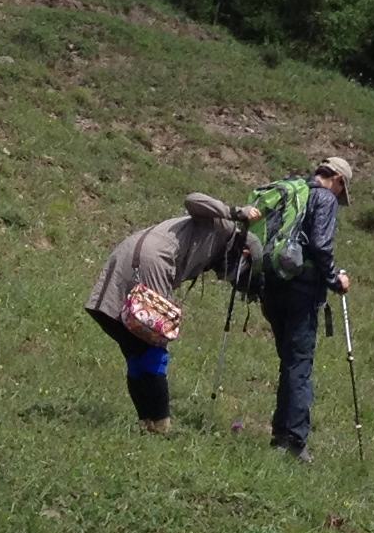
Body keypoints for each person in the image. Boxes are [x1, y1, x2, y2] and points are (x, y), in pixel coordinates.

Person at [87, 195, 239, 433]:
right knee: (154, 347)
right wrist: (233, 211)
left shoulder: (217, 238)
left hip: (129, 254)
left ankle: (146, 423)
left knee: (135, 350)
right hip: (152, 262)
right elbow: (193, 199)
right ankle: (160, 426)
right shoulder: (224, 226)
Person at [256, 156, 353, 459]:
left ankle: (279, 433)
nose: (339, 195)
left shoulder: (293, 190)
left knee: (288, 360)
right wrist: (336, 279)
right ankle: (293, 441)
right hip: (302, 290)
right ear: (338, 180)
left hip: (272, 285)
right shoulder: (325, 198)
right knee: (299, 365)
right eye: (342, 189)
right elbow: (322, 246)